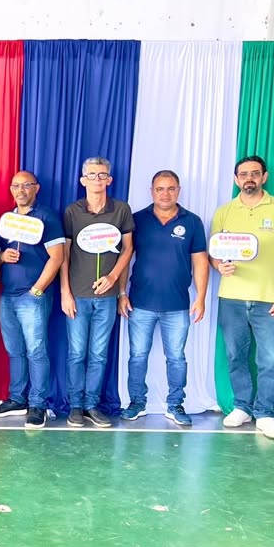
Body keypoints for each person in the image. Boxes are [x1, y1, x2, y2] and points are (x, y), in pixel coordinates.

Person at [211, 155, 274, 439]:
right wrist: (219, 265)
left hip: (269, 299)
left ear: (264, 176)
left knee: (270, 359)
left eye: (254, 173)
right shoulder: (224, 212)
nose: (249, 178)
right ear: (236, 179)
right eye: (243, 174)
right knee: (235, 355)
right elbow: (214, 253)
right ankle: (242, 407)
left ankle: (265, 413)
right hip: (231, 298)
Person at [118, 170, 209, 427]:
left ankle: (175, 404)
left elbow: (200, 262)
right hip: (140, 303)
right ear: (152, 191)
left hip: (177, 305)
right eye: (160, 189)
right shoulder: (137, 220)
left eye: (171, 188)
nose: (165, 194)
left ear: (178, 190)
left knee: (177, 357)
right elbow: (125, 258)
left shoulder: (192, 222)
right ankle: (137, 403)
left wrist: (201, 297)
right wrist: (122, 293)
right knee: (137, 356)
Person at [60, 157, 134, 428]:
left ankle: (92, 405)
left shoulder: (121, 209)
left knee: (99, 354)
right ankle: (75, 406)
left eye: (102, 175)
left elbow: (128, 248)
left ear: (109, 179)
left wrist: (114, 279)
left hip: (107, 297)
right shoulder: (72, 211)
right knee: (76, 353)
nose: (97, 179)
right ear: (83, 180)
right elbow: (64, 254)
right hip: (77, 295)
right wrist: (65, 292)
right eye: (92, 175)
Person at [0, 171, 64, 428]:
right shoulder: (7, 219)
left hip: (32, 295)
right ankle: (17, 399)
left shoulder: (46, 217)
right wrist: (2, 257)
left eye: (26, 185)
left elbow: (57, 256)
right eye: (16, 186)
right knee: (15, 350)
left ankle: (38, 404)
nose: (20, 190)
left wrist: (38, 289)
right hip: (7, 295)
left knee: (36, 351)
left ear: (36, 188)